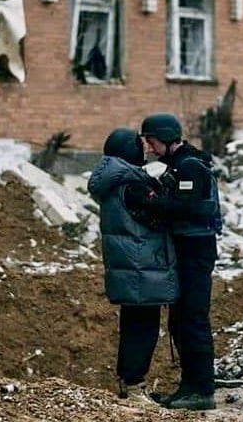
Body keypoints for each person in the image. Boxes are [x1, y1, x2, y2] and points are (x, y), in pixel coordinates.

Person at [87, 128, 179, 404]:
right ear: (130, 151)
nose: (145, 150)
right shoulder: (133, 185)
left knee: (132, 327)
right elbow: (158, 218)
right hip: (142, 269)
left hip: (130, 268)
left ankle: (128, 384)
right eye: (140, 146)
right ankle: (136, 388)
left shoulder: (113, 183)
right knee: (143, 329)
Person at [139, 113, 219, 411]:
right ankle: (189, 386)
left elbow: (184, 207)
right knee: (180, 321)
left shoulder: (189, 167)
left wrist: (149, 201)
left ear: (166, 137)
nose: (149, 145)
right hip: (186, 252)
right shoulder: (181, 164)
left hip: (195, 253)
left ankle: (201, 390)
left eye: (152, 139)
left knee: (193, 321)